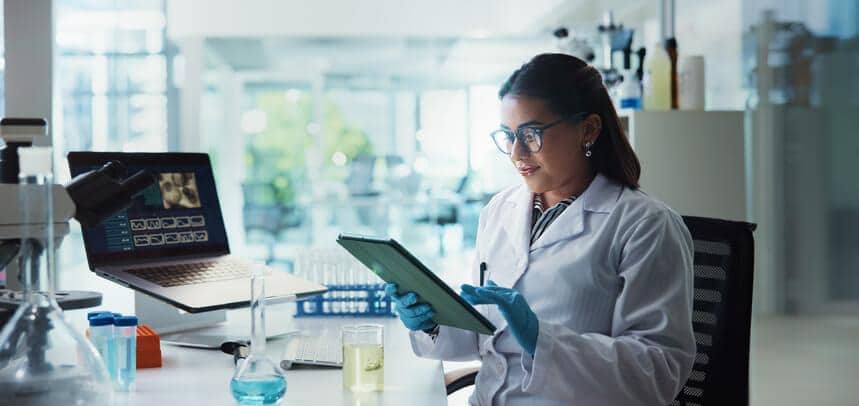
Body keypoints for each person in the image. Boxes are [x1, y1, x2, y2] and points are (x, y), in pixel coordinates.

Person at [385, 53, 696, 405]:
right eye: (508, 135)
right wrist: (433, 320)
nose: (517, 153)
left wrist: (541, 340)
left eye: (531, 134)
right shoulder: (500, 210)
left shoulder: (645, 225)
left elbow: (657, 373)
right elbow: (484, 338)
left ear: (588, 130)